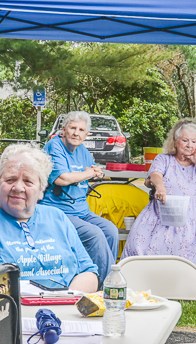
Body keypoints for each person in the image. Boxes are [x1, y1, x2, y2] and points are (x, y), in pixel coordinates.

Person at [0, 144, 99, 293]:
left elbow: (88, 272)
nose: (18, 187)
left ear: (41, 190)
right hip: (9, 310)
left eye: (28, 181)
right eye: (10, 180)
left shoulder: (57, 218)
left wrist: (63, 299)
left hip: (64, 307)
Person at [122, 119, 196, 280]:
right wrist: (160, 187)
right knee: (140, 241)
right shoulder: (164, 159)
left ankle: (195, 283)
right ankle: (146, 279)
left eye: (193, 141)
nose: (189, 145)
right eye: (185, 140)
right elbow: (155, 174)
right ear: (175, 142)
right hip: (166, 212)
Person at [39, 111, 118, 283]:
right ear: (64, 130)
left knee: (111, 230)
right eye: (73, 128)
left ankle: (110, 280)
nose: (76, 133)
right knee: (95, 234)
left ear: (86, 134)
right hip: (58, 212)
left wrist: (95, 173)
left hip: (82, 211)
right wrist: (88, 172)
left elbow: (87, 172)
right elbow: (62, 179)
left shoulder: (83, 151)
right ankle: (102, 287)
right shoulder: (55, 146)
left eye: (81, 130)